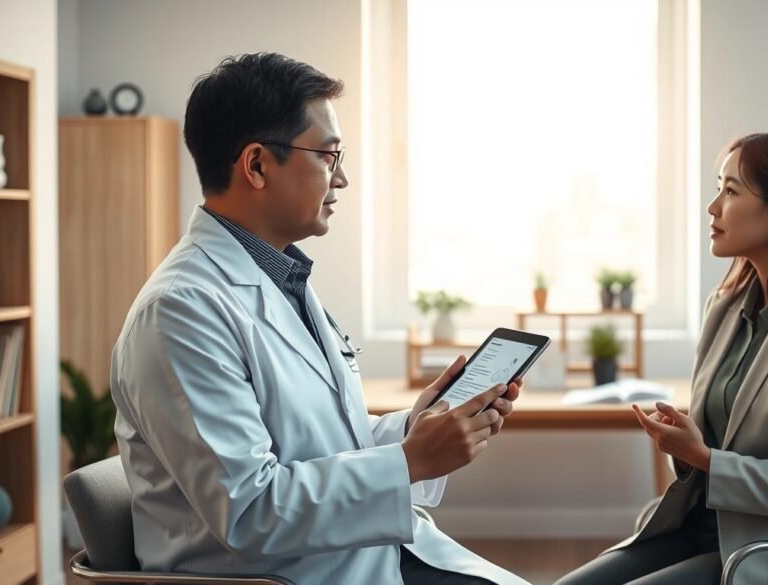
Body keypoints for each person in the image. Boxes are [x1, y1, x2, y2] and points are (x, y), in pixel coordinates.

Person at [110, 52, 530, 585]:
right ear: (257, 165)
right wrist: (408, 462)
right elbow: (250, 512)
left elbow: (322, 445)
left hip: (361, 555)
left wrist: (413, 432)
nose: (343, 178)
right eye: (329, 157)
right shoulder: (179, 312)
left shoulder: (280, 278)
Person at [556, 132, 768, 585]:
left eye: (731, 191)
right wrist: (689, 448)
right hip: (701, 530)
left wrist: (707, 458)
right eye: (719, 187)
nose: (713, 207)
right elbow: (713, 446)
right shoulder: (726, 306)